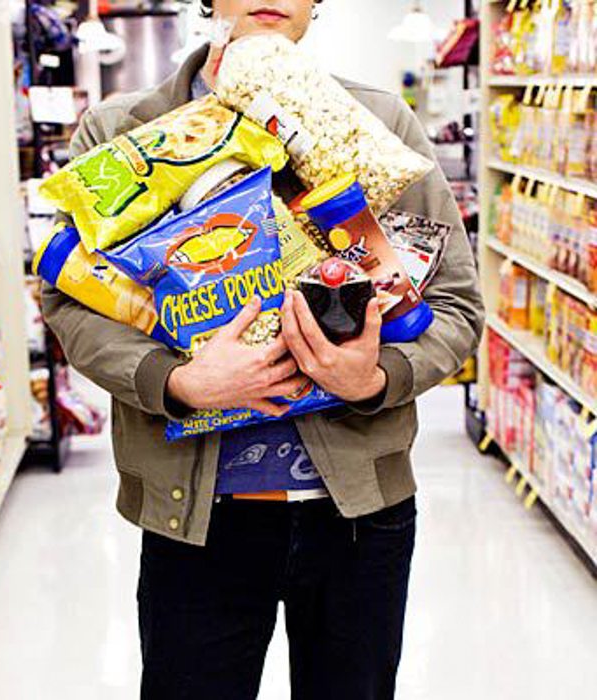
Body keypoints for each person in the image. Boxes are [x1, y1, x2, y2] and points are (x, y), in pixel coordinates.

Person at [42, 1, 485, 698]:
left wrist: (375, 377)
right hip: (194, 516)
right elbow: (73, 299)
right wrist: (176, 383)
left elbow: (456, 306)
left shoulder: (382, 128)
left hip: (357, 516)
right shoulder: (120, 131)